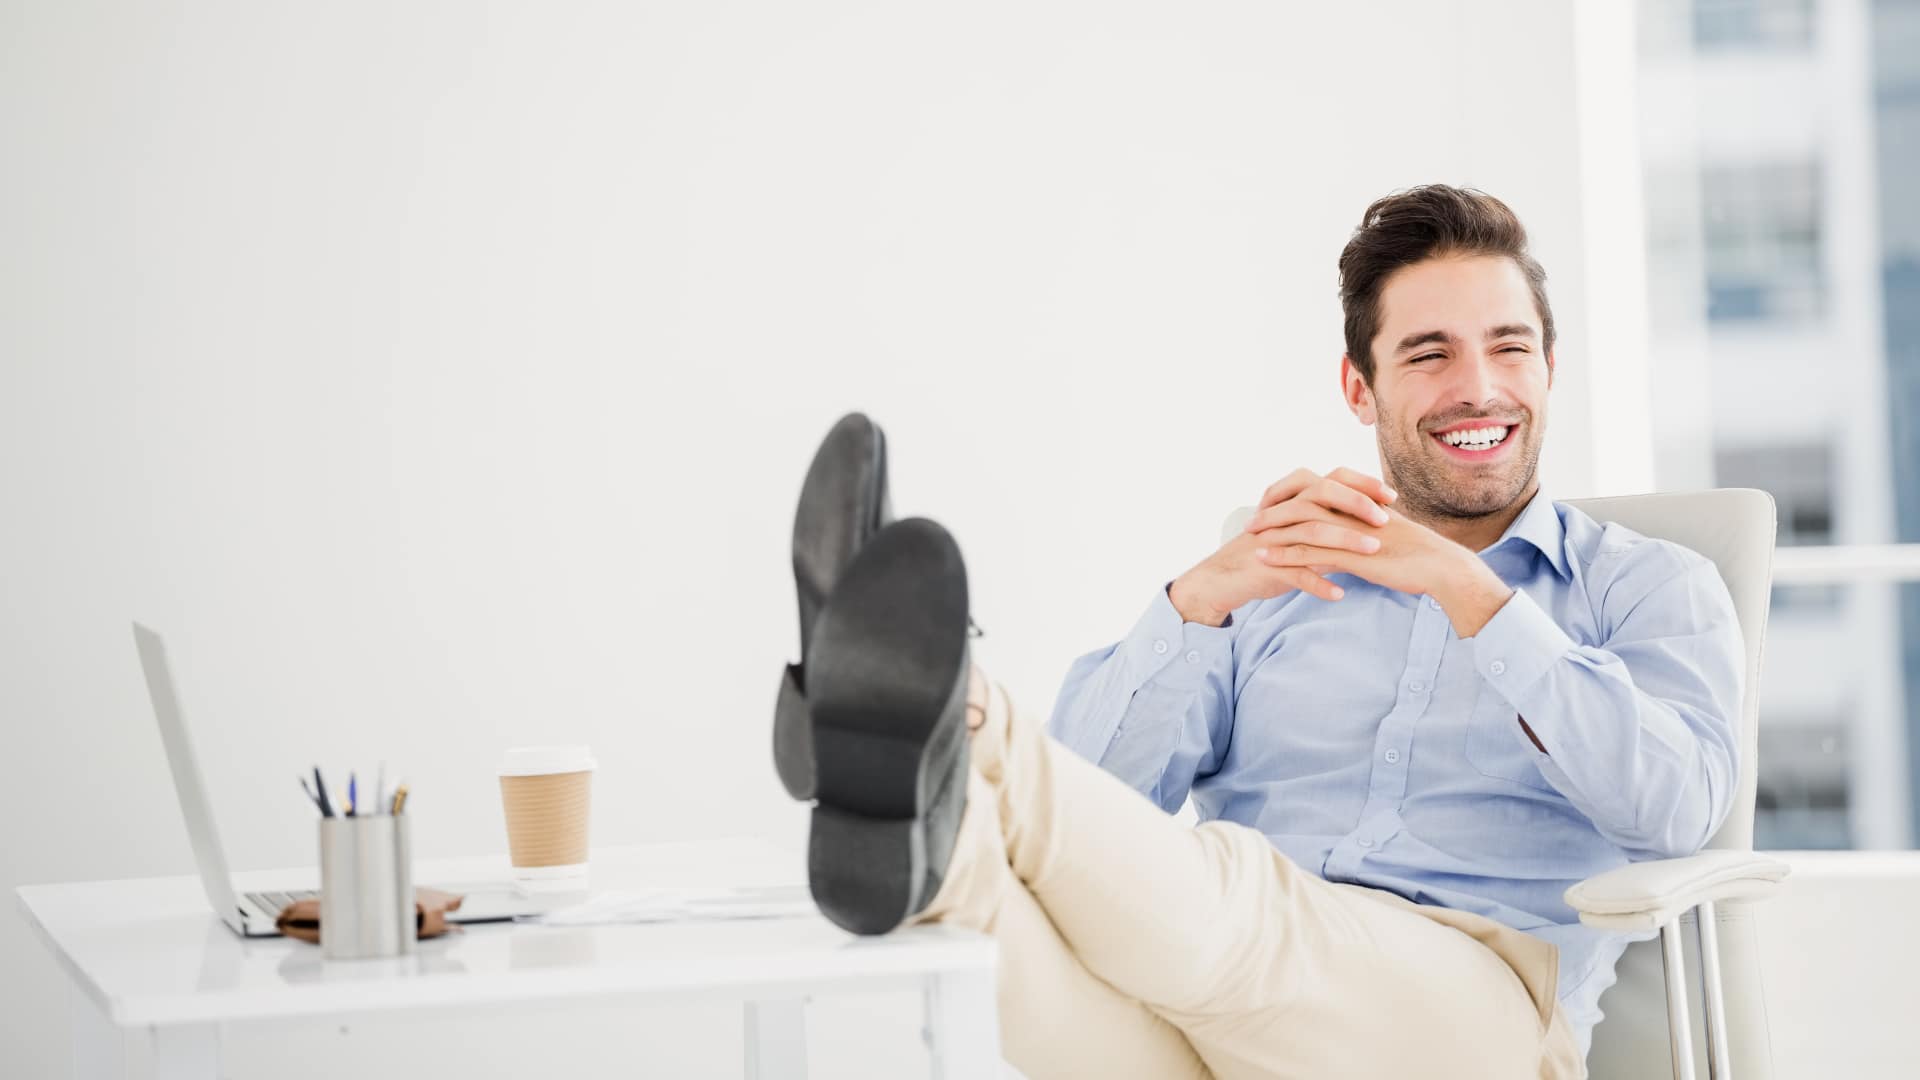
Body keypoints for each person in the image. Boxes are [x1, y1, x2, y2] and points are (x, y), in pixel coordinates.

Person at [771, 185, 1744, 1080]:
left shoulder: (1650, 584)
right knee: (991, 922)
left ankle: (948, 713)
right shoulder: (1274, 580)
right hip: (1226, 1020)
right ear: (1359, 389)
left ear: (1550, 366)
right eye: (1428, 352)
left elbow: (1674, 810)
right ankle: (920, 780)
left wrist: (1472, 593)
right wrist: (1196, 601)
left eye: (1509, 345)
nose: (1478, 385)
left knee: (1242, 891)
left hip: (1475, 1017)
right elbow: (1098, 814)